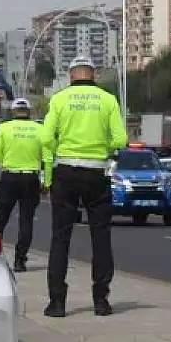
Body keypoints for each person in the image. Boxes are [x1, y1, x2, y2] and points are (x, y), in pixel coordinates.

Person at [40, 56, 128, 318]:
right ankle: (101, 301)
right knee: (100, 237)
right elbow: (121, 139)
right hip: (96, 172)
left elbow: (45, 137)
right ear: (94, 75)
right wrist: (103, 150)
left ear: (71, 76)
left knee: (60, 237)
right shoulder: (107, 100)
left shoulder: (59, 99)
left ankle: (57, 303)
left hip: (65, 171)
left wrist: (58, 156)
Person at [0, 98, 51, 273]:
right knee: (26, 221)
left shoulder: (4, 128)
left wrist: (9, 159)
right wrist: (47, 183)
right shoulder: (40, 129)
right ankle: (20, 261)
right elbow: (48, 158)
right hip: (30, 179)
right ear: (29, 112)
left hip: (9, 177)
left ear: (13, 111)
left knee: (1, 218)